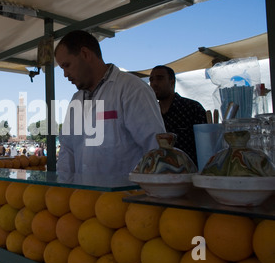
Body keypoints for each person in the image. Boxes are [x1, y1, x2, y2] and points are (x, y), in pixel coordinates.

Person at [55, 30, 166, 176]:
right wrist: (63, 190)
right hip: (81, 196)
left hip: (124, 196)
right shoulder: (76, 100)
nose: (65, 74)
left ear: (85, 54)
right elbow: (67, 151)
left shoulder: (132, 89)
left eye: (67, 65)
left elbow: (155, 148)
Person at [149, 65, 207, 167]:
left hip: (189, 174)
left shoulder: (192, 108)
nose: (154, 84)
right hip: (159, 173)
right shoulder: (150, 112)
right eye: (151, 80)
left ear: (172, 82)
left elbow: (205, 145)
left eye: (159, 78)